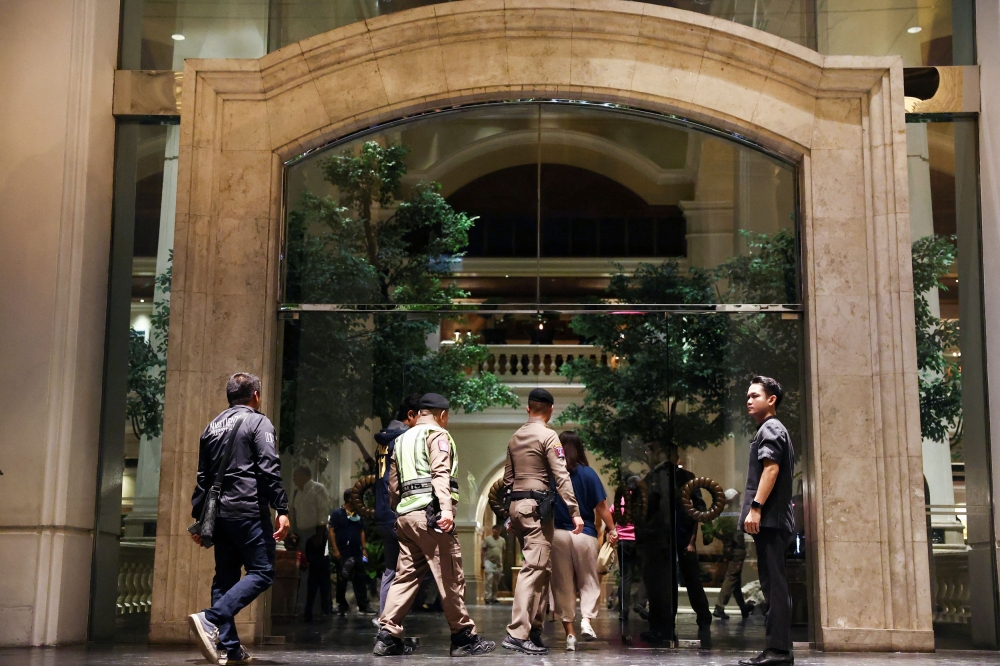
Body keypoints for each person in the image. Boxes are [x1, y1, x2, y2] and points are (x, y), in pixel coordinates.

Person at [375, 393, 495, 657]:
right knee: (450, 575)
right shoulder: (437, 434)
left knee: (404, 577)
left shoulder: (401, 439)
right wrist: (445, 510)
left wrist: (399, 511)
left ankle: (387, 636)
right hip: (430, 516)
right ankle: (463, 637)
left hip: (406, 517)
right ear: (441, 414)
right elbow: (440, 473)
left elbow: (392, 484)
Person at [187, 373, 290, 666]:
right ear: (255, 395)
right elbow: (269, 466)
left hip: (219, 514)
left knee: (226, 577)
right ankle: (210, 618)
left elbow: (202, 478)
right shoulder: (259, 422)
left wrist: (201, 519)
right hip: (248, 509)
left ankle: (231, 649)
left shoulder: (211, 427)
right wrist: (281, 507)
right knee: (262, 571)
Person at [501, 388, 583, 655]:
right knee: (534, 568)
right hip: (537, 508)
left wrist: (508, 514)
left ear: (528, 409)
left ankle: (533, 628)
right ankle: (517, 633)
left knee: (542, 568)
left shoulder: (515, 438)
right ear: (550, 410)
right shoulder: (549, 437)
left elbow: (507, 480)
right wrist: (574, 510)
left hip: (518, 507)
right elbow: (561, 475)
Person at [738, 376, 796, 666]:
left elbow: (770, 470)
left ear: (771, 400)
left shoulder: (771, 427)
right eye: (747, 396)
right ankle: (779, 649)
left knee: (774, 586)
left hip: (771, 519)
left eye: (755, 395)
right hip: (773, 520)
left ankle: (779, 651)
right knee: (774, 585)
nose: (748, 400)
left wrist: (756, 507)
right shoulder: (770, 429)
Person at [550, 431, 617, 651]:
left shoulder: (553, 474)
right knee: (589, 581)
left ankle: (570, 635)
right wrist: (612, 529)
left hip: (558, 534)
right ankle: (586, 620)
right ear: (580, 448)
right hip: (585, 534)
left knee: (563, 585)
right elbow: (601, 507)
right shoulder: (588, 474)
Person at [373, 394, 421, 622]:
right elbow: (397, 482)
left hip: (382, 511)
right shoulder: (404, 439)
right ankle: (391, 627)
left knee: (391, 571)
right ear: (410, 415)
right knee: (409, 572)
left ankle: (385, 626)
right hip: (397, 511)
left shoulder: (384, 439)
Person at [672, 451, 713, 642]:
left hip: (683, 534)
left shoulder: (686, 478)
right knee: (672, 581)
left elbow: (699, 507)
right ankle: (668, 620)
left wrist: (693, 539)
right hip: (669, 535)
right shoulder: (659, 477)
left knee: (692, 580)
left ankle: (704, 619)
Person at [711, 489, 755, 621]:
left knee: (735, 580)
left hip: (728, 549)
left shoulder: (723, 514)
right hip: (737, 550)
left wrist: (724, 539)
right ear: (736, 498)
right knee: (731, 577)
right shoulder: (739, 514)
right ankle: (719, 607)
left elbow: (713, 530)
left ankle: (743, 608)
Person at [328, 489, 374, 615]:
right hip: (343, 551)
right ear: (349, 499)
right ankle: (342, 604)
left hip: (356, 551)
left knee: (360, 578)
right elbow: (331, 531)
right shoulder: (337, 513)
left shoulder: (357, 515)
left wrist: (364, 549)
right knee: (342, 578)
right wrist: (336, 550)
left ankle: (363, 605)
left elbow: (361, 531)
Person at [291, 465, 332, 541]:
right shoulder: (297, 492)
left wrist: (319, 534)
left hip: (315, 532)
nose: (293, 479)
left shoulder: (318, 489)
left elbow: (323, 512)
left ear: (303, 475)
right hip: (299, 533)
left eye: (295, 476)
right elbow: (295, 513)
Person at [302, 526, 332, 622]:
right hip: (317, 568)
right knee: (314, 593)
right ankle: (312, 612)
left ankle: (322, 611)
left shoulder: (323, 541)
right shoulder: (316, 541)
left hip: (319, 568)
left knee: (321, 592)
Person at [481, 525, 505, 604]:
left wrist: (502, 561)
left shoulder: (502, 540)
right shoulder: (487, 539)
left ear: (499, 531)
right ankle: (487, 597)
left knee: (496, 582)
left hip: (498, 564)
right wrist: (482, 562)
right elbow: (483, 551)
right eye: (494, 530)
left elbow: (503, 552)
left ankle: (494, 598)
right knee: (489, 579)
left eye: (497, 530)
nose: (495, 532)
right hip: (489, 562)